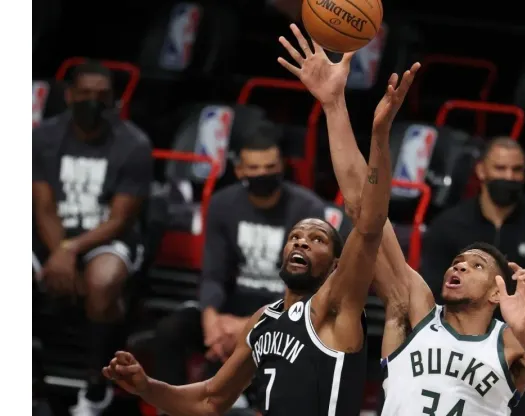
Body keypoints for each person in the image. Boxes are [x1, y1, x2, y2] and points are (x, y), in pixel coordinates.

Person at [102, 28, 414, 415]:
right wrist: (147, 387)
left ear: (337, 265)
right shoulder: (262, 322)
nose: (301, 241)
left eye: (317, 238)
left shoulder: (337, 304)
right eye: (297, 236)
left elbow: (368, 221)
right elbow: (210, 399)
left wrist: (373, 132)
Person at [280, 24, 525, 415]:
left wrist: (524, 330)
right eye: (459, 261)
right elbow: (363, 207)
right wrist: (335, 107)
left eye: (476, 266)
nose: (459, 266)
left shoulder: (515, 341)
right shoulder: (416, 307)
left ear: (497, 293)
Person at [150, 122, 351, 398]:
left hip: (282, 313)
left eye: (269, 167)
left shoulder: (307, 208)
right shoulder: (222, 204)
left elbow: (306, 288)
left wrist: (246, 326)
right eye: (254, 168)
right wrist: (212, 321)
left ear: (282, 166)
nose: (262, 174)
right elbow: (213, 274)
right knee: (169, 331)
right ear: (239, 170)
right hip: (228, 314)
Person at [32, 60, 153, 416]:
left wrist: (69, 251)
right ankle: (30, 385)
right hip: (50, 235)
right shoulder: (43, 137)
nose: (92, 102)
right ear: (68, 96)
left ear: (114, 100)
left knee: (102, 281)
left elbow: (119, 219)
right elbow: (43, 207)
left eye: (102, 96)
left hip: (106, 238)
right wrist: (60, 253)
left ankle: (95, 386)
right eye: (84, 94)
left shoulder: (133, 144)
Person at [421, 137, 525, 415]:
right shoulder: (449, 224)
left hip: (519, 338)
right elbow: (430, 289)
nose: (509, 177)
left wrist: (519, 335)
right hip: (453, 335)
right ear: (481, 171)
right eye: (501, 168)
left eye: (517, 170)